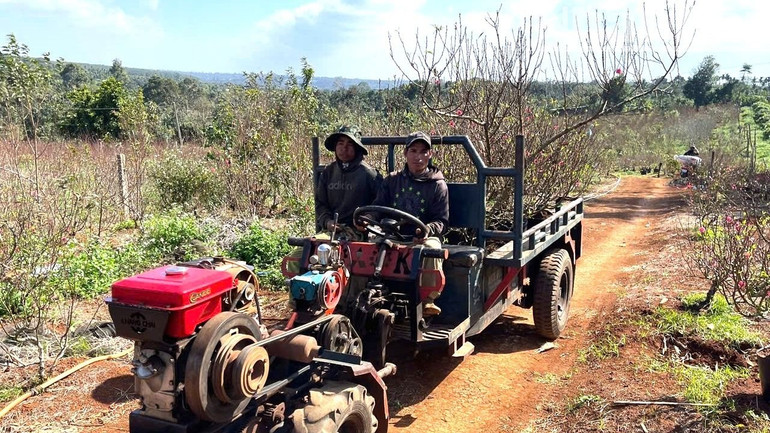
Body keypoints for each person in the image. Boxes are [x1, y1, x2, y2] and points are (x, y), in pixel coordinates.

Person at [369, 131, 449, 316]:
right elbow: (378, 207)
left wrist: (427, 230)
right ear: (405, 153)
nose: (418, 157)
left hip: (419, 239)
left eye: (423, 152)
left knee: (431, 250)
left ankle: (427, 300)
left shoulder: (438, 185)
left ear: (430, 154)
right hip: (391, 235)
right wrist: (368, 220)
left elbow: (442, 221)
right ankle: (359, 296)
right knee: (365, 248)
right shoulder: (392, 180)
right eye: (413, 151)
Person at [285, 126, 381, 274]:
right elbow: (320, 204)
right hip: (329, 233)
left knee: (349, 267)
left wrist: (368, 219)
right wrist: (327, 221)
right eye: (340, 143)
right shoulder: (328, 172)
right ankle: (299, 296)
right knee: (296, 258)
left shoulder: (369, 174)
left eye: (350, 144)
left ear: (357, 148)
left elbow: (381, 204)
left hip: (358, 234)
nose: (344, 148)